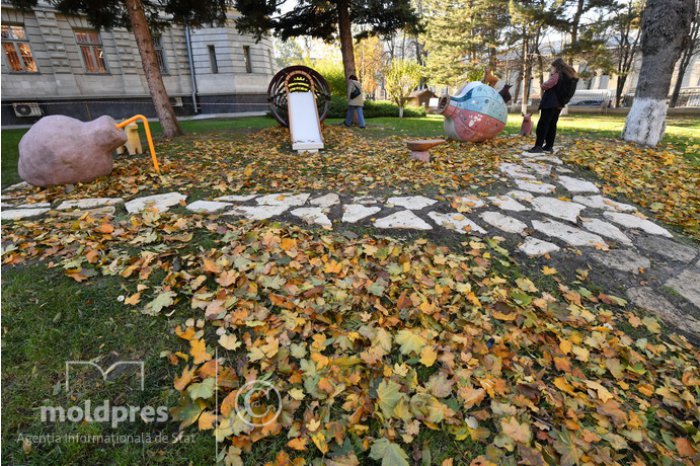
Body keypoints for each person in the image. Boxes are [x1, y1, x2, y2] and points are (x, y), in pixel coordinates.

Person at [528, 58, 578, 153]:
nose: (552, 69)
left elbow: (545, 85)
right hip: (559, 104)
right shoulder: (569, 77)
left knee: (543, 124)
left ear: (556, 66)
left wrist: (545, 83)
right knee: (552, 124)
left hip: (550, 103)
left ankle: (538, 146)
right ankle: (549, 146)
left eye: (552, 67)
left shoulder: (557, 75)